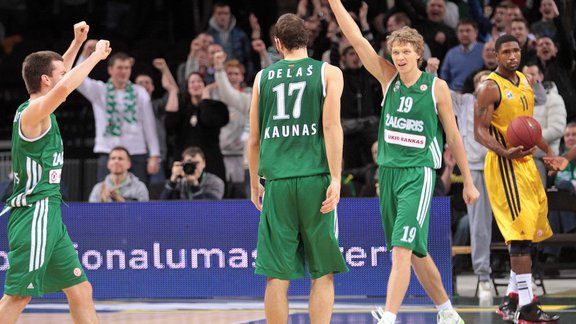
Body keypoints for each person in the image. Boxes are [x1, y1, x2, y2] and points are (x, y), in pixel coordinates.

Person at [328, 1, 480, 323]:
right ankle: (447, 311)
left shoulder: (436, 88)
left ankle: (389, 317)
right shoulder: (387, 78)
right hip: (390, 174)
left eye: (404, 52)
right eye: (395, 51)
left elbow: (453, 137)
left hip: (419, 174)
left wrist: (467, 180)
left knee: (400, 250)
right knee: (414, 252)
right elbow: (356, 38)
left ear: (418, 55)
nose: (398, 57)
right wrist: (335, 4)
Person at [0, 22, 110, 324]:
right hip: (34, 213)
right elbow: (63, 86)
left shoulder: (39, 105)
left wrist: (75, 45)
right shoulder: (33, 113)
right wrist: (95, 56)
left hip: (50, 214)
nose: (66, 75)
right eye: (60, 72)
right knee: (18, 296)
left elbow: (60, 78)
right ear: (45, 80)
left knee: (80, 289)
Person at [247, 13, 349, 324]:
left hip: (277, 182)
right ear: (307, 38)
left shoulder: (262, 78)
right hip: (315, 180)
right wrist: (336, 177)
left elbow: (253, 140)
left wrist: (255, 183)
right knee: (322, 271)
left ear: (277, 43)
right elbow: (331, 127)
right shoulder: (329, 73)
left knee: (277, 276)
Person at [474, 34, 560, 323]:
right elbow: (479, 131)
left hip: (524, 164)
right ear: (496, 56)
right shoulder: (489, 87)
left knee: (531, 232)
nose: (512, 56)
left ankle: (511, 300)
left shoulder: (524, 80)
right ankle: (527, 306)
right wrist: (504, 152)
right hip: (503, 164)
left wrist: (548, 153)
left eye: (516, 51)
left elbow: (530, 128)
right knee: (520, 237)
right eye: (506, 52)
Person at [77, 43, 161, 184]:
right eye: (119, 68)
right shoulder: (100, 91)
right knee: (105, 198)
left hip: (136, 152)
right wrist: (85, 54)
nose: (123, 71)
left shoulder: (140, 92)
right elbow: (78, 81)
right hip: (108, 152)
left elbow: (149, 125)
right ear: (110, 70)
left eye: (127, 68)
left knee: (138, 199)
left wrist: (154, 155)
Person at [160, 146, 224, 200]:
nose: (194, 167)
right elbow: (163, 206)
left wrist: (194, 185)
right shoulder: (180, 182)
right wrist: (172, 180)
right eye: (189, 164)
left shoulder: (215, 182)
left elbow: (208, 208)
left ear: (204, 163)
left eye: (196, 163)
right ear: (183, 163)